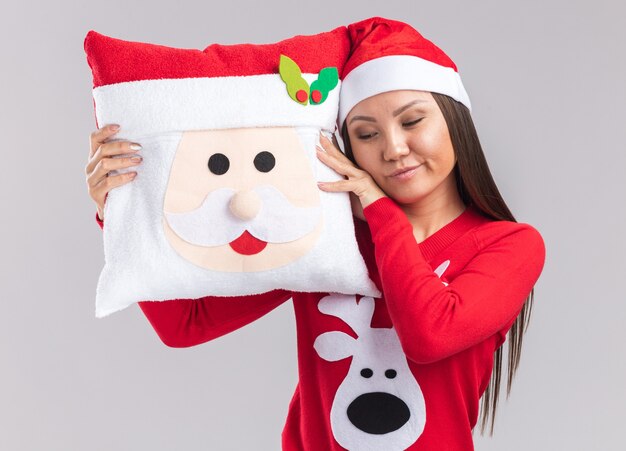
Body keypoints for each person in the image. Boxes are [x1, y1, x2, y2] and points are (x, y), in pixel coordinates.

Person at [85, 17, 545, 451]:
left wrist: (379, 211)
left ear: (455, 120)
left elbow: (430, 335)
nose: (394, 149)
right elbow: (184, 325)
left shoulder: (509, 245)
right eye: (366, 134)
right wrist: (123, 206)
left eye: (412, 121)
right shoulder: (332, 238)